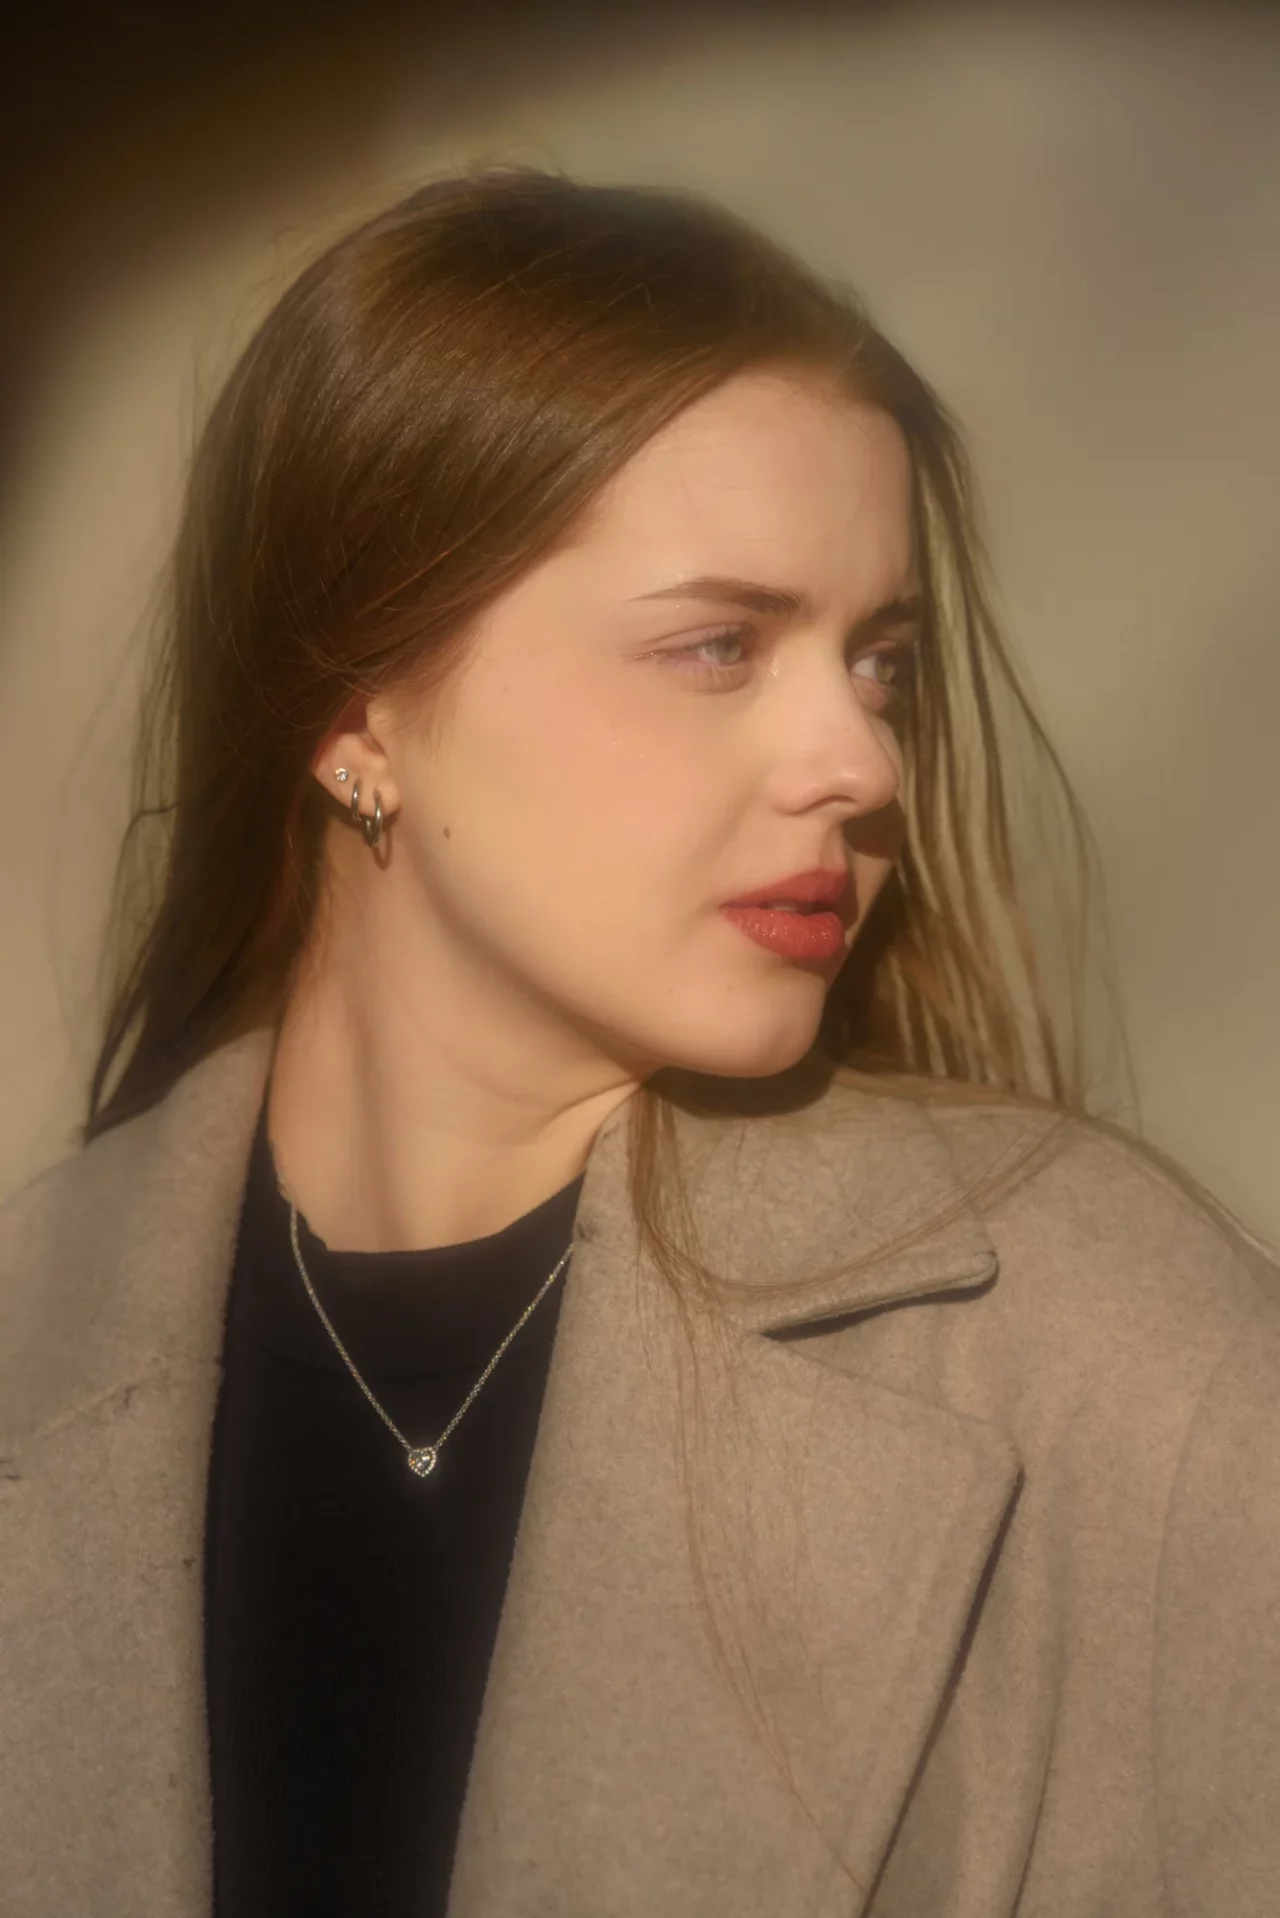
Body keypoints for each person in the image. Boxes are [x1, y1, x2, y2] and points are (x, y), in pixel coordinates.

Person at [1, 165, 1277, 1918]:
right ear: (357, 711)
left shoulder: (1122, 1364)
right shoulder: (36, 1342)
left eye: (882, 663)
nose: (860, 762)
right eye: (719, 645)